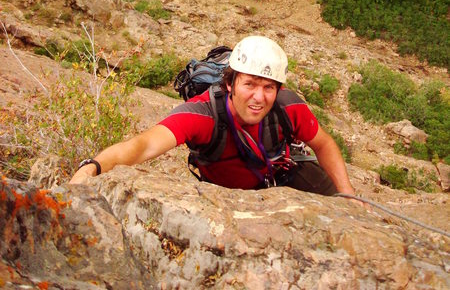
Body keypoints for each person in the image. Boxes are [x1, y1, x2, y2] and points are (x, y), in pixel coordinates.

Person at [70, 36, 355, 197]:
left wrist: (347, 193)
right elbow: (144, 145)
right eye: (250, 85)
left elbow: (324, 144)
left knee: (344, 214)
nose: (259, 97)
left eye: (268, 87)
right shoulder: (202, 116)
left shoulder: (288, 107)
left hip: (282, 176)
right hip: (229, 197)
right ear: (230, 84)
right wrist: (93, 166)